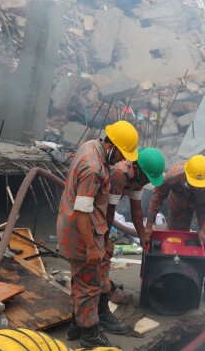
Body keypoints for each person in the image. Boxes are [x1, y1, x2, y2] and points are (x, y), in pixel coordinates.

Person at [56, 120, 138, 348]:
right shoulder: (93, 168)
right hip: (81, 231)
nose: (123, 160)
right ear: (112, 145)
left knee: (81, 280)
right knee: (90, 285)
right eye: (122, 153)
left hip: (78, 227)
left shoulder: (91, 145)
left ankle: (75, 326)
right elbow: (82, 212)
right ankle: (90, 335)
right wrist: (92, 246)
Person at [144, 154, 205, 305]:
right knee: (175, 241)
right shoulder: (173, 176)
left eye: (200, 186)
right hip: (180, 202)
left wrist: (204, 229)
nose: (197, 187)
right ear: (186, 176)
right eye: (194, 184)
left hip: (204, 206)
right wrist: (149, 224)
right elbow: (158, 196)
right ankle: (176, 277)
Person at [102, 147, 166, 315]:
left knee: (103, 253)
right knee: (99, 252)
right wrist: (105, 241)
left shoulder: (138, 179)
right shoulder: (120, 173)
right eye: (147, 178)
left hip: (104, 210)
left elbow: (136, 211)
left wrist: (143, 236)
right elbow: (109, 212)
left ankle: (103, 284)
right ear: (138, 169)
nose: (147, 183)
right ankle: (100, 299)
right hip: (92, 210)